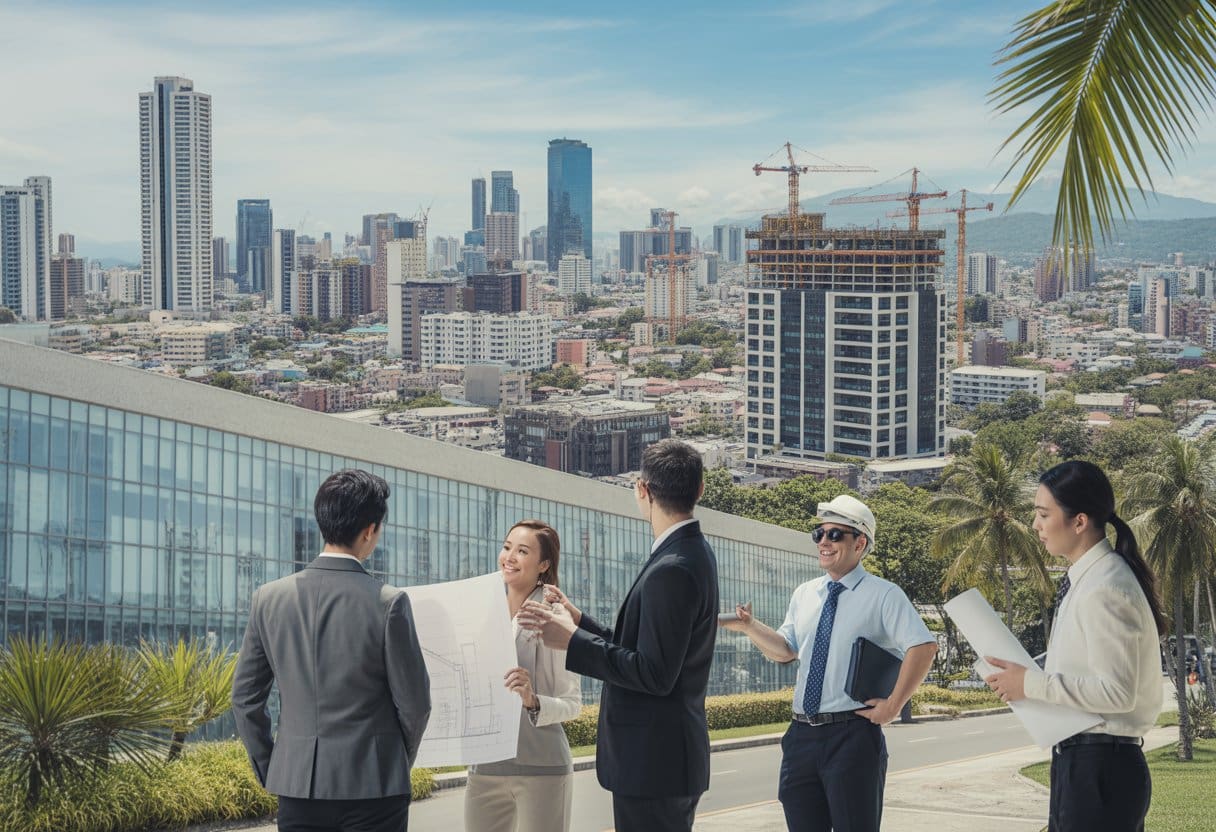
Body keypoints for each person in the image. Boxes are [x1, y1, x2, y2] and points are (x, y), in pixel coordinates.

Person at [517, 439, 719, 832]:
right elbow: (649, 647)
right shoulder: (691, 551)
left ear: (642, 490)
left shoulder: (673, 566)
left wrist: (572, 640)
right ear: (700, 489)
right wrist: (581, 622)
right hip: (661, 763)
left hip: (653, 766)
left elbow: (655, 673)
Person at [720, 494, 937, 832]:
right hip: (801, 737)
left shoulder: (883, 594)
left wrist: (894, 706)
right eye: (819, 533)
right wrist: (750, 626)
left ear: (860, 542)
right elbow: (786, 650)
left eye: (835, 534)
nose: (823, 541)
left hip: (852, 736)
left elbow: (923, 646)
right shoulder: (805, 593)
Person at [232, 469, 431, 832]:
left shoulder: (268, 599)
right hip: (375, 786)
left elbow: (245, 700)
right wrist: (394, 760)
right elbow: (415, 705)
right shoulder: (389, 603)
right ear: (370, 530)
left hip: (297, 786)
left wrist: (273, 765)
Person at [984, 460, 1166, 832]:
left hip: (1100, 769)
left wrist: (1029, 684)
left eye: (1043, 514)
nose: (1035, 525)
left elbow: (1117, 694)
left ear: (1079, 521)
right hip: (1085, 764)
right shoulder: (1089, 579)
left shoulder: (1105, 588)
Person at [464, 519, 582, 832]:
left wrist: (532, 699)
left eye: (522, 551)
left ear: (544, 564)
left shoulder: (554, 614)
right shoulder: (481, 611)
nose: (509, 557)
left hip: (541, 767)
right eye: (506, 548)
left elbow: (572, 702)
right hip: (485, 768)